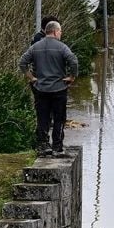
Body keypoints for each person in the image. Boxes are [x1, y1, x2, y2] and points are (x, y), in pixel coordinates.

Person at [19, 20, 78, 157]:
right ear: (56, 31)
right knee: (59, 119)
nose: (61, 34)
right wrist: (71, 77)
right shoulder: (62, 47)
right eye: (60, 32)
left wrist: (31, 77)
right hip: (59, 89)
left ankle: (43, 146)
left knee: (42, 118)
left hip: (41, 89)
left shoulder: (35, 47)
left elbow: (22, 62)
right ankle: (57, 147)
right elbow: (73, 61)